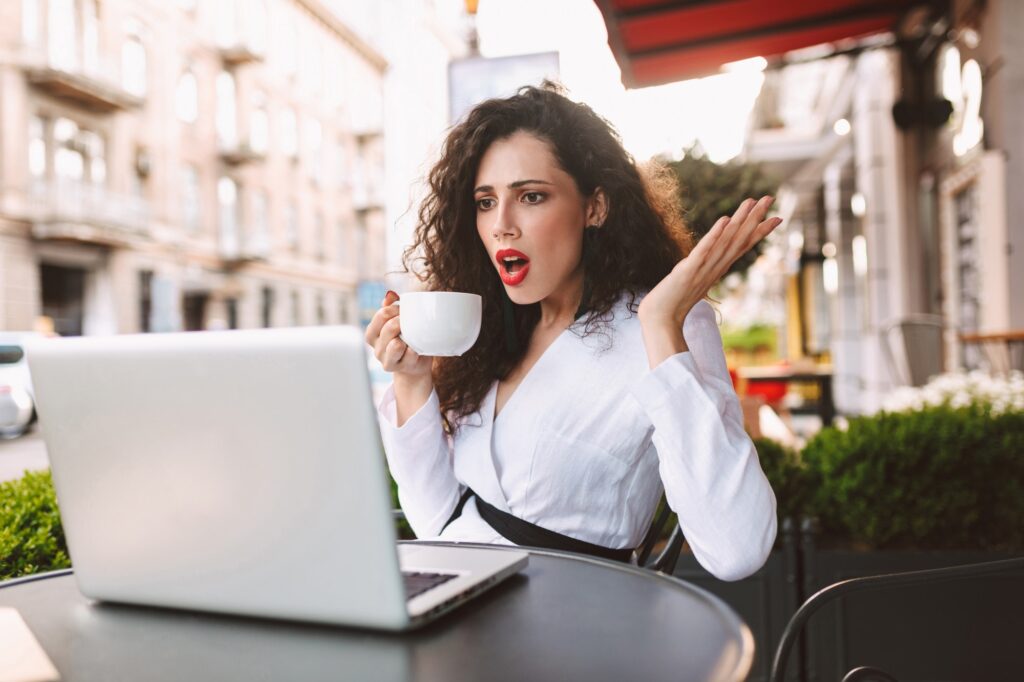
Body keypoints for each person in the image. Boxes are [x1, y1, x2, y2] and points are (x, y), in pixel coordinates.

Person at [366, 84, 780, 580]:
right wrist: (413, 381)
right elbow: (439, 520)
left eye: (531, 196)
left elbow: (737, 551)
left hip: (572, 617)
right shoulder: (496, 323)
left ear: (595, 207)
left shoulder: (666, 323)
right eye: (484, 201)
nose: (501, 224)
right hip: (458, 591)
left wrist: (661, 325)